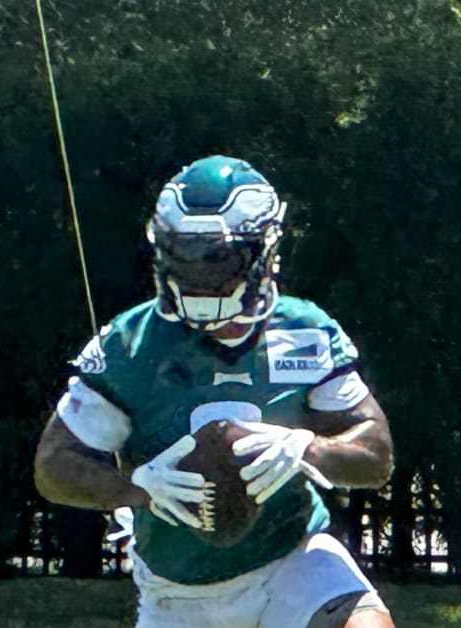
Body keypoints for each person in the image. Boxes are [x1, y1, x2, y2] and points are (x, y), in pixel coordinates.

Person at [34, 155, 395, 627]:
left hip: (292, 557)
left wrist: (308, 447)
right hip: (176, 590)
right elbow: (54, 466)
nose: (195, 277)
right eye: (180, 256)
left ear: (261, 252)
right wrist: (136, 488)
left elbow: (375, 455)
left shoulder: (303, 330)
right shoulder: (130, 343)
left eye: (213, 259)